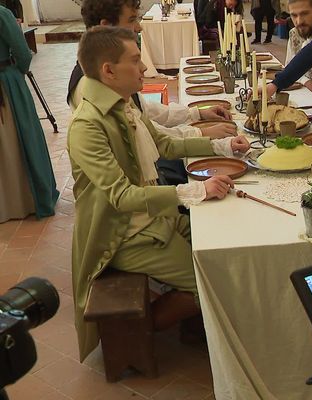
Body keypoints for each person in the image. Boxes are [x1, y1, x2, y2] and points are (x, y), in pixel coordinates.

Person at [68, 25, 250, 361]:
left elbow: (163, 143)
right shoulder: (88, 126)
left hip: (152, 217)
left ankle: (195, 326)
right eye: (135, 61)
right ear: (108, 71)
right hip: (124, 232)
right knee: (207, 281)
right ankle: (134, 333)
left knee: (220, 243)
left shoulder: (124, 102)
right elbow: (122, 198)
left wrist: (221, 145)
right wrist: (192, 192)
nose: (143, 69)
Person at [68, 0, 236, 186]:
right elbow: (152, 138)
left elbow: (147, 112)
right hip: (137, 188)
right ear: (106, 26)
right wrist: (201, 132)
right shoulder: (91, 88)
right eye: (132, 20)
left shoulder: (107, 74)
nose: (139, 28)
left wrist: (197, 113)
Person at [0, 5, 58, 223]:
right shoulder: (2, 14)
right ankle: (24, 201)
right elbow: (22, 53)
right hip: (5, 84)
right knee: (18, 140)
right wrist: (17, 74)